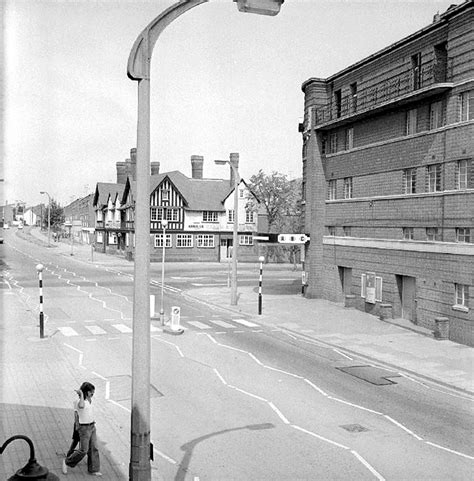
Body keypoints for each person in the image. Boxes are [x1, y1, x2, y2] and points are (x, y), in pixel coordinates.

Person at [62, 381, 102, 476]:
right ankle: (67, 462)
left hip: (92, 426)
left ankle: (93, 469)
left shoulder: (89, 400)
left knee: (94, 448)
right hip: (84, 428)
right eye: (92, 392)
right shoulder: (78, 402)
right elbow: (81, 406)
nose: (93, 393)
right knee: (83, 450)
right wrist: (81, 395)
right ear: (87, 392)